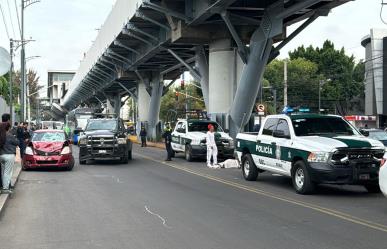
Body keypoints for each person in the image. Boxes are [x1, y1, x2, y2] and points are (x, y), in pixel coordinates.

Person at [0, 122, 18, 194]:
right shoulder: (10, 135)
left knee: (3, 172)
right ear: (8, 128)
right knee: (8, 173)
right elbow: (17, 142)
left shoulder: (1, 135)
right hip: (9, 156)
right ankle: (5, 188)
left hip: (1, 155)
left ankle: (3, 187)